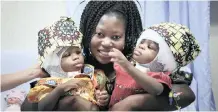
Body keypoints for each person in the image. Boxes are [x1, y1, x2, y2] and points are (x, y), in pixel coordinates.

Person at [23, 1, 195, 111]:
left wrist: (134, 103)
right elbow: (27, 107)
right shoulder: (73, 62)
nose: (106, 43)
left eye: (115, 37)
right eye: (99, 34)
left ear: (127, 36)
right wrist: (64, 97)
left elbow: (186, 95)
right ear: (88, 31)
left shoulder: (140, 63)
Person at [21, 17, 109, 111]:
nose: (76, 57)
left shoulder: (94, 76)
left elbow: (104, 105)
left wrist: (103, 100)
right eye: (67, 55)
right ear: (54, 62)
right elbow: (32, 109)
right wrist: (59, 90)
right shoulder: (47, 83)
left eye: (78, 52)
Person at [108, 22, 201, 109]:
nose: (141, 46)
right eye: (141, 42)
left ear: (163, 59)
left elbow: (157, 90)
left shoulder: (159, 76)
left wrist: (127, 66)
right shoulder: (120, 65)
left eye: (150, 47)